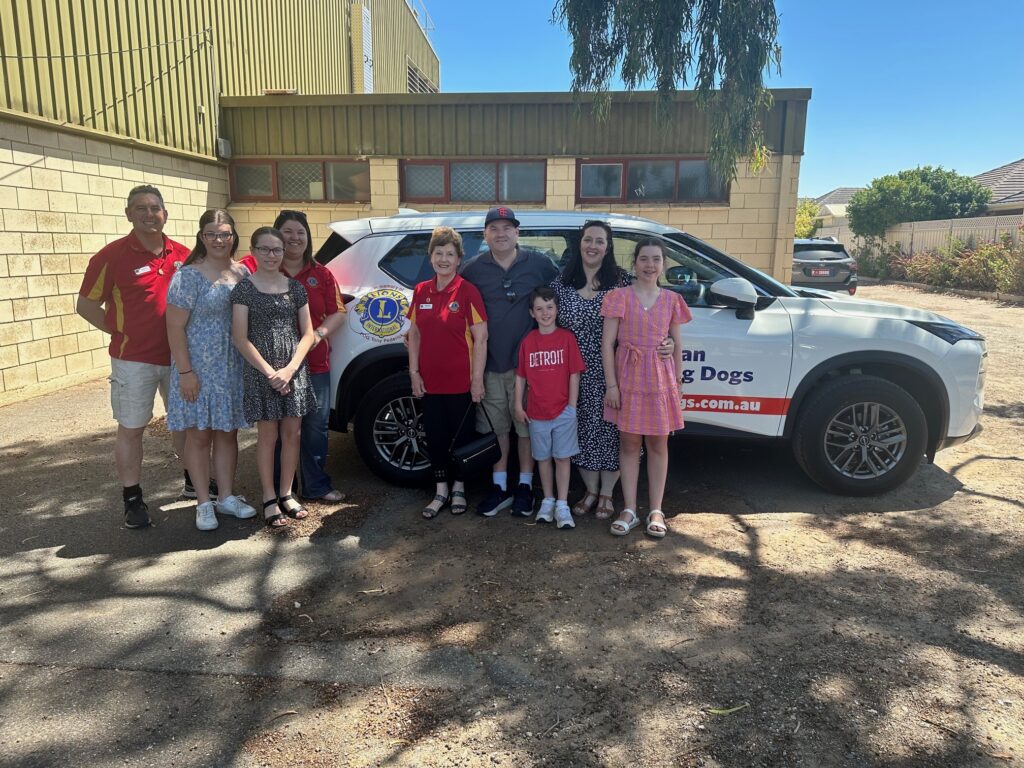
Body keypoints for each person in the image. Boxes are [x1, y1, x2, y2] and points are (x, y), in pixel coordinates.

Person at [76, 184, 190, 529]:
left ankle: (196, 483)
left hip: (179, 359)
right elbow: (86, 305)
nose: (148, 214)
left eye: (155, 208)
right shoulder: (109, 256)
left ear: (165, 214)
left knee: (184, 424)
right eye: (140, 208)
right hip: (133, 360)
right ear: (129, 214)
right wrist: (120, 332)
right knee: (132, 428)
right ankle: (132, 499)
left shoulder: (184, 255)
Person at [240, 210, 347, 503]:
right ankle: (275, 492)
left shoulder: (322, 273)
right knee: (274, 431)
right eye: (287, 232)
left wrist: (319, 335)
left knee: (314, 428)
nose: (294, 238)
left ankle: (315, 486)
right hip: (273, 368)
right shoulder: (256, 270)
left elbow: (339, 311)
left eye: (300, 232)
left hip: (314, 363)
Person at [461, 207, 558, 518]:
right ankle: (500, 486)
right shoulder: (473, 269)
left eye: (507, 227)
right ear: (485, 234)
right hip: (489, 365)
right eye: (494, 228)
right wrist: (416, 328)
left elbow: (562, 297)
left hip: (531, 369)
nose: (501, 233)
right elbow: (451, 301)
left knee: (526, 429)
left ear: (518, 232)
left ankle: (525, 487)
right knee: (498, 429)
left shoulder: (540, 264)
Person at [165, 209, 255, 531]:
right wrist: (186, 373)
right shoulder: (188, 275)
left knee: (228, 434)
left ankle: (226, 497)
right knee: (199, 435)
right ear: (202, 237)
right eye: (212, 234)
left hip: (231, 369)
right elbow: (174, 327)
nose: (219, 239)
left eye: (225, 233)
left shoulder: (243, 273)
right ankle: (203, 502)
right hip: (198, 369)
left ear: (233, 237)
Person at [601, 238, 692, 538]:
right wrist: (611, 385)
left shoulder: (672, 300)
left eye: (656, 259)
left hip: (660, 380)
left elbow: (676, 344)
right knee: (628, 444)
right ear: (635, 262)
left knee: (657, 445)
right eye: (644, 259)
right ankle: (628, 508)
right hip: (627, 378)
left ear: (663, 264)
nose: (649, 265)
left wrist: (677, 384)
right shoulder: (619, 297)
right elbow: (607, 344)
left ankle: (656, 509)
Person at [231, 228, 317, 529]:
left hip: (293, 370)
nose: (271, 255)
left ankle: (287, 492)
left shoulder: (295, 288)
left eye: (276, 250)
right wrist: (270, 373)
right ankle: (269, 497)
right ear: (253, 251)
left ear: (283, 253)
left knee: (292, 434)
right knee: (268, 436)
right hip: (262, 372)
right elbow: (240, 338)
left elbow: (307, 333)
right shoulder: (244, 289)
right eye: (265, 249)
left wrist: (290, 369)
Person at [550, 221, 633, 521]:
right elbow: (547, 323)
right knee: (580, 430)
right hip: (572, 373)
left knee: (612, 431)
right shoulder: (561, 282)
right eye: (588, 240)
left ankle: (608, 492)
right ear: (580, 243)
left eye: (600, 241)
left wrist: (666, 340)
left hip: (612, 371)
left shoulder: (622, 282)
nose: (593, 246)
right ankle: (590, 490)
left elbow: (646, 313)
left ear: (608, 247)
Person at [406, 227, 489, 517]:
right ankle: (440, 491)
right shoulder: (421, 291)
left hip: (461, 384)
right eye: (438, 253)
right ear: (430, 257)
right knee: (436, 438)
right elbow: (413, 334)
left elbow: (481, 338)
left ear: (458, 259)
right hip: (429, 384)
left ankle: (459, 489)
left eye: (450, 254)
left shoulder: (467, 291)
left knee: (460, 440)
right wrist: (414, 373)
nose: (444, 259)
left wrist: (477, 380)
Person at [514, 287, 585, 529]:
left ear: (556, 309)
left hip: (563, 410)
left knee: (562, 458)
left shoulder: (566, 338)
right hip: (537, 412)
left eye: (550, 307)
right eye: (540, 309)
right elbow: (521, 377)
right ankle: (548, 499)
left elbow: (574, 374)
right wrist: (517, 404)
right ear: (532, 313)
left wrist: (572, 407)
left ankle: (563, 503)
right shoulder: (528, 341)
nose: (545, 313)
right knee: (543, 458)